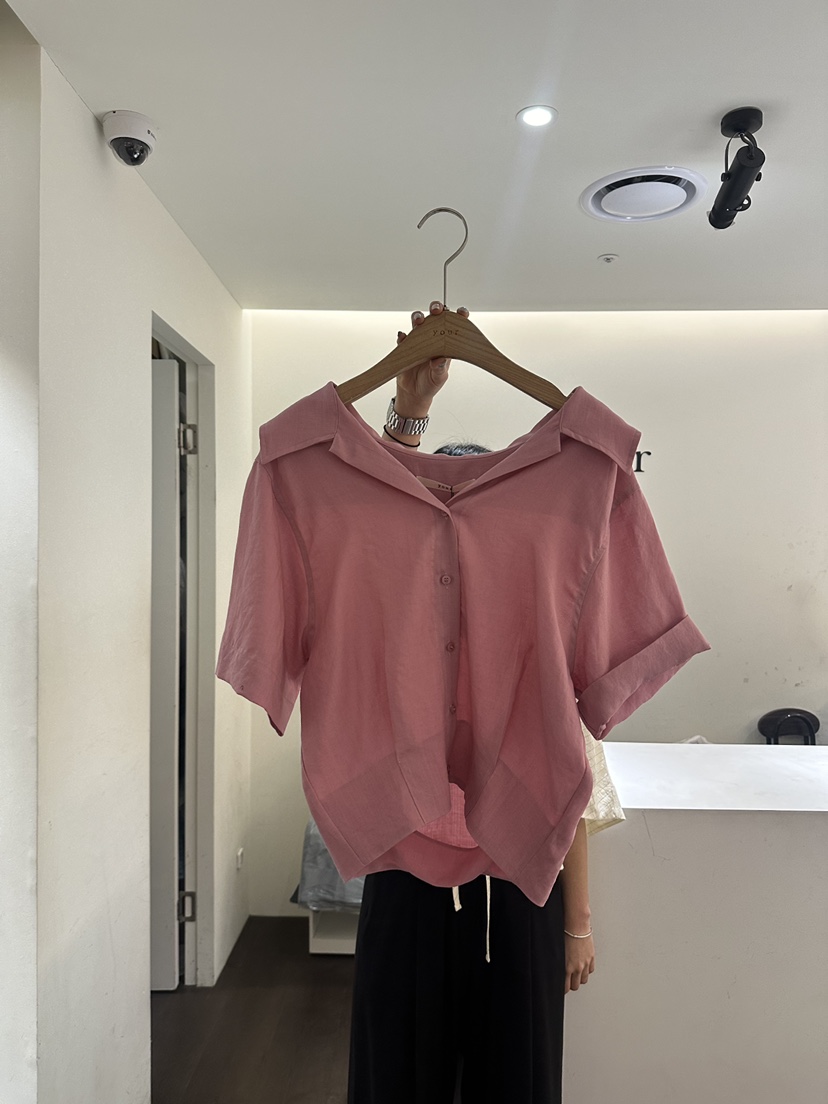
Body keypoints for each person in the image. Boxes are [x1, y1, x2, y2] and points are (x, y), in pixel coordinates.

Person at [347, 302, 597, 1104]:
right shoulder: (397, 625)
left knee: (518, 1079)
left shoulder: (534, 636)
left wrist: (578, 922)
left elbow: (574, 786)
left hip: (518, 887)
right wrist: (407, 411)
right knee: (396, 1076)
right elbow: (374, 533)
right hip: (406, 879)